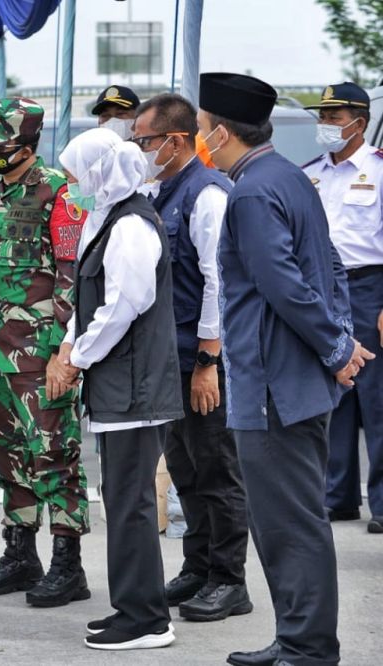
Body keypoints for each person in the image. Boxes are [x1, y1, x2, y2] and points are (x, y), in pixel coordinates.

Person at [196, 71, 375, 666]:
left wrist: (335, 348)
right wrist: (341, 342)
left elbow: (285, 284)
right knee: (293, 519)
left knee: (287, 525)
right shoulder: (289, 179)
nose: (200, 139)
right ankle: (298, 637)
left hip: (271, 383)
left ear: (220, 133)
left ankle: (308, 646)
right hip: (293, 380)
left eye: (199, 130)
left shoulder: (251, 192)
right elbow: (332, 265)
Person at [47, 128, 183, 650]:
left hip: (135, 386)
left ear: (101, 173)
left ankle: (147, 619)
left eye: (78, 176)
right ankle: (132, 605)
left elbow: (125, 304)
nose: (73, 186)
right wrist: (68, 348)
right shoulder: (108, 219)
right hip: (118, 382)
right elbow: (87, 303)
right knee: (122, 500)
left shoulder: (131, 226)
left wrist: (76, 358)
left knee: (131, 504)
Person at [0, 98, 90, 607]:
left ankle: (67, 564)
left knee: (54, 457)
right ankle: (20, 554)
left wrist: (66, 352)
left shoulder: (61, 192)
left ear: (25, 146)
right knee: (6, 455)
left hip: (40, 356)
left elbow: (73, 278)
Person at [132, 93, 252, 622]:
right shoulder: (161, 190)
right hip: (171, 359)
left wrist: (208, 360)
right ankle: (198, 566)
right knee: (184, 467)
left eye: (145, 141)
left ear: (175, 141)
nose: (139, 149)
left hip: (203, 360)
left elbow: (217, 282)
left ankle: (229, 580)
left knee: (217, 470)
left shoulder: (208, 194)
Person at [302, 82, 383, 534]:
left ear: (360, 121)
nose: (326, 124)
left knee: (378, 399)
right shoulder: (310, 173)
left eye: (334, 116)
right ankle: (339, 498)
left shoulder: (379, 169)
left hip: (371, 286)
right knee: (336, 392)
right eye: (323, 116)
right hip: (325, 291)